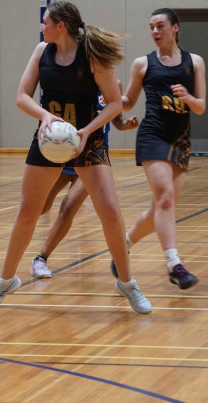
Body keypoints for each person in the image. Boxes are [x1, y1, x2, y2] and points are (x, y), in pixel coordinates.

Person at [0, 0, 151, 314]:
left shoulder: (93, 55)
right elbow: (21, 97)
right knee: (29, 211)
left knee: (110, 212)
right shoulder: (41, 51)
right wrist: (45, 117)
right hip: (49, 139)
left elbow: (115, 104)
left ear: (62, 26)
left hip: (88, 137)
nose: (41, 26)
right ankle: (4, 281)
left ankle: (127, 283)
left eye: (46, 21)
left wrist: (86, 130)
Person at [110, 8, 206, 290]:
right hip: (152, 136)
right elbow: (127, 101)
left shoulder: (194, 62)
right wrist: (112, 97)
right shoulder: (142, 64)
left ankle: (123, 246)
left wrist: (188, 97)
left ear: (175, 28)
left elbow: (201, 107)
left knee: (161, 209)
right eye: (151, 27)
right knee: (164, 198)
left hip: (181, 140)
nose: (155, 32)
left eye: (160, 26)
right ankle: (174, 265)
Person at [31, 90, 139, 278]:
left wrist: (125, 125)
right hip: (63, 153)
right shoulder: (74, 78)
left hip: (91, 156)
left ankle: (40, 258)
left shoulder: (113, 84)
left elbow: (116, 119)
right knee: (41, 207)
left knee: (68, 207)